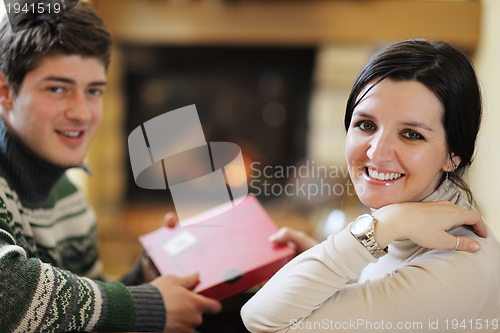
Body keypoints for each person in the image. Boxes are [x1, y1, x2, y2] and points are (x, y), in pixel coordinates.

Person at [241, 39, 500, 332]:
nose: (376, 152)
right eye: (366, 125)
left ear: (453, 156)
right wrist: (327, 267)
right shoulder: (404, 219)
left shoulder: (457, 273)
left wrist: (377, 228)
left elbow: (262, 319)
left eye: (411, 134)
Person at [0, 2, 221, 332]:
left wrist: (146, 277)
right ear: (5, 91)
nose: (83, 113)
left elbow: (85, 314)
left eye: (93, 91)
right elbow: (8, 296)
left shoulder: (70, 199)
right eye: (57, 88)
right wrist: (145, 306)